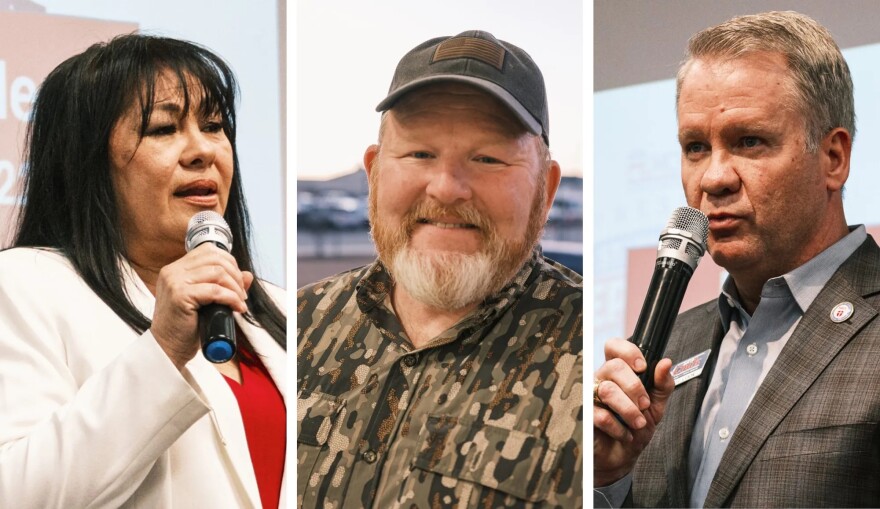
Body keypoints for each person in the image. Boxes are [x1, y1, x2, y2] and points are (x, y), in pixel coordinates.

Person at [593, 10, 880, 508]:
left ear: (833, 157)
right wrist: (609, 479)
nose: (713, 178)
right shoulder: (671, 342)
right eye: (695, 147)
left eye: (749, 141)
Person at [297, 30, 583, 508]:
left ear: (545, 189)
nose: (447, 188)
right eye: (420, 154)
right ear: (373, 172)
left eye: (487, 158)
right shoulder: (297, 327)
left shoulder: (589, 356)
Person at [0, 35, 287, 508]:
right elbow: (19, 495)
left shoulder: (275, 307)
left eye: (213, 125)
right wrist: (164, 350)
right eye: (162, 129)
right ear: (87, 161)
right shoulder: (26, 284)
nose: (202, 151)